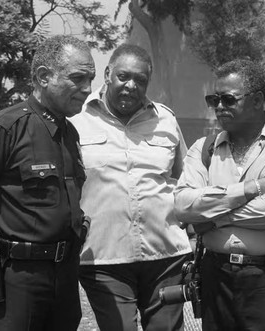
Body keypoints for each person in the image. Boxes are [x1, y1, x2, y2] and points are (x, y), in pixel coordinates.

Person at [0, 34, 95, 331]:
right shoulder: (3, 129)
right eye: (78, 78)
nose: (88, 89)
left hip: (65, 273)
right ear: (44, 76)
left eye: (91, 79)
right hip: (18, 275)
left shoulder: (70, 133)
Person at [174, 59, 265, 331]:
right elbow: (183, 206)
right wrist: (251, 189)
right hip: (215, 277)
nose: (218, 106)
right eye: (213, 99)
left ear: (258, 100)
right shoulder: (204, 148)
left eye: (228, 99)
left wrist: (214, 219)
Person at [69, 43, 193, 331]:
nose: (131, 85)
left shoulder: (166, 120)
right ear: (108, 73)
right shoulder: (76, 121)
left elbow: (186, 182)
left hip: (167, 257)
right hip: (103, 257)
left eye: (140, 80)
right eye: (124, 76)